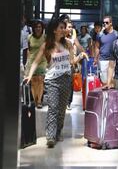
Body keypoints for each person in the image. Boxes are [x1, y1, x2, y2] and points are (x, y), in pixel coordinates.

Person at [24, 19, 88, 148]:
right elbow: (36, 61)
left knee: (61, 109)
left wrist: (81, 56)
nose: (65, 30)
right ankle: (50, 136)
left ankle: (58, 132)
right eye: (62, 27)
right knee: (53, 108)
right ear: (54, 30)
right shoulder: (46, 45)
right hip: (52, 80)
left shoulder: (68, 44)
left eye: (65, 27)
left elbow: (71, 61)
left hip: (66, 79)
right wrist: (29, 76)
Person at [25, 20, 46, 108]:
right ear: (33, 28)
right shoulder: (29, 37)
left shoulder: (45, 37)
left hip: (42, 61)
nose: (38, 28)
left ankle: (40, 100)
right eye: (36, 27)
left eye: (39, 27)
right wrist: (27, 61)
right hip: (32, 61)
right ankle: (35, 99)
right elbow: (28, 50)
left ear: (42, 28)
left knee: (40, 80)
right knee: (33, 82)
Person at [65, 20, 85, 110]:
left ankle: (68, 102)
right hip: (61, 63)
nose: (69, 29)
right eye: (68, 27)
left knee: (70, 83)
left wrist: (84, 53)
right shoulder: (59, 37)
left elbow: (79, 47)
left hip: (72, 62)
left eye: (70, 27)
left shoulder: (73, 38)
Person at [94, 16, 118, 86]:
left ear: (111, 23)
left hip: (114, 60)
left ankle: (112, 96)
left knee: (113, 81)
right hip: (103, 60)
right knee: (104, 81)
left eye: (107, 22)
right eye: (103, 22)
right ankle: (105, 96)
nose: (105, 24)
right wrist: (95, 59)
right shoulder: (100, 35)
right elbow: (97, 47)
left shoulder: (117, 34)